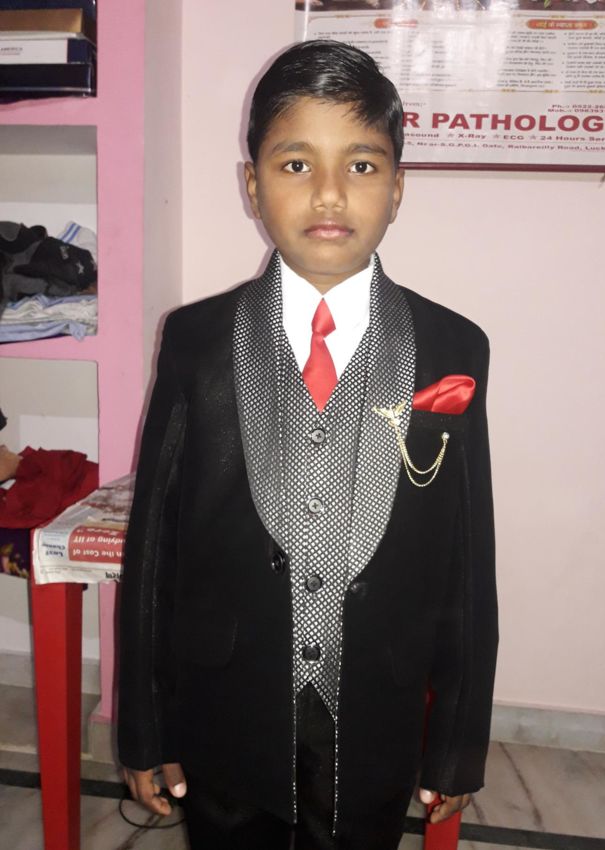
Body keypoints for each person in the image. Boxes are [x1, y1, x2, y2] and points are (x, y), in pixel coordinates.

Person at [118, 39, 498, 850]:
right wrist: (145, 729)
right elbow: (153, 550)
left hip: (378, 711)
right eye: (296, 164)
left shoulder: (454, 348)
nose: (329, 192)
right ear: (253, 185)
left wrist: (458, 742)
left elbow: (470, 559)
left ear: (398, 188)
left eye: (361, 165)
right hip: (224, 708)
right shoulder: (195, 342)